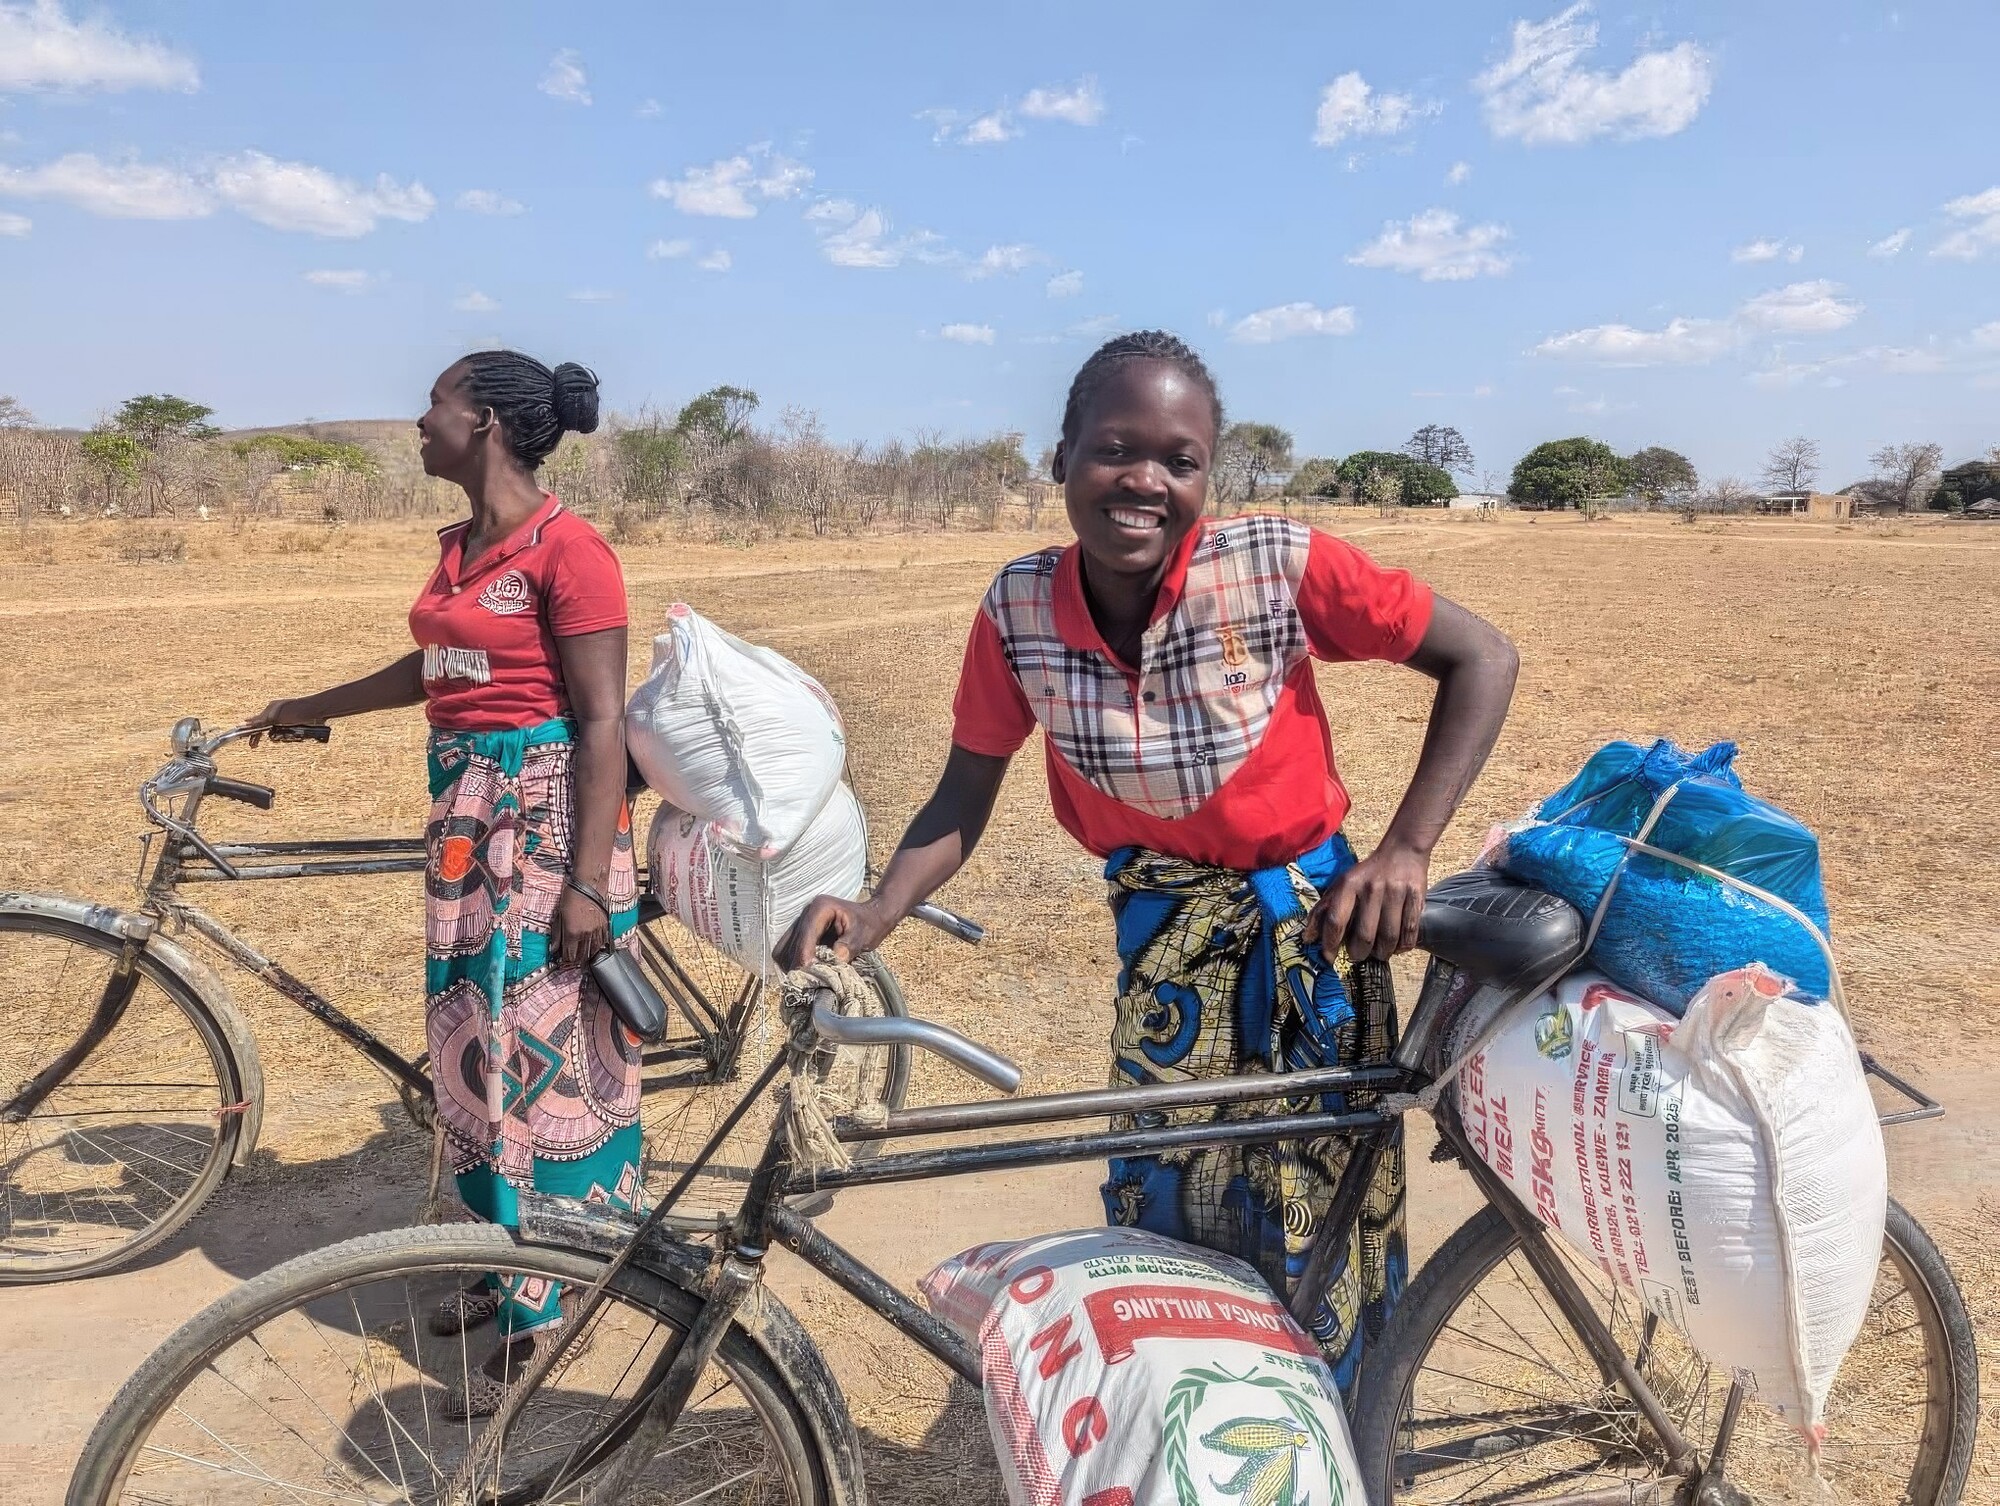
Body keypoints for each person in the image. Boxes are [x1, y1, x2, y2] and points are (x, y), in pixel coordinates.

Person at [781, 330, 1518, 1394]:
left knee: (1324, 1210)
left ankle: (1340, 1434)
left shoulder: (1273, 564)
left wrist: (1405, 850)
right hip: (1164, 952)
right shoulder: (1019, 612)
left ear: (1208, 477)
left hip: (1313, 931)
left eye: (1178, 460)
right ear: (1060, 457)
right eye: (1115, 449)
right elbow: (961, 790)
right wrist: (878, 907)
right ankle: (1197, 1429)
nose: (1144, 481)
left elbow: (1479, 655)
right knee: (1166, 1199)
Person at [247, 350, 640, 1415]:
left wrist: (591, 886)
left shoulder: (572, 552)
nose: (419, 424)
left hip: (548, 821)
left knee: (538, 1065)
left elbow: (603, 721)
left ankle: (544, 1320)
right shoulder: (465, 548)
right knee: (471, 1044)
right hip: (466, 817)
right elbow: (438, 669)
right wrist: (305, 701)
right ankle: (498, 1262)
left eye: (435, 407)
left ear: (489, 426)